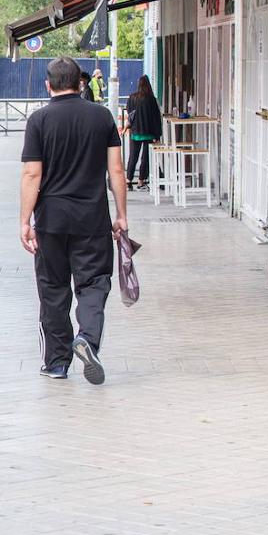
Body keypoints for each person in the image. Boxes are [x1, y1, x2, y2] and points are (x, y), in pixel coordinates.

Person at [20, 57, 127, 386]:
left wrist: (25, 220)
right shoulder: (102, 116)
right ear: (81, 84)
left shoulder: (39, 120)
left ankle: (56, 362)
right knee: (94, 282)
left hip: (51, 219)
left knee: (53, 289)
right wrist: (121, 215)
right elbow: (117, 171)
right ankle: (88, 339)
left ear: (48, 85)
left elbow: (31, 172)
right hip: (92, 218)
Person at [123, 75, 162, 190]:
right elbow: (156, 118)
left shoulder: (132, 98)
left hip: (135, 132)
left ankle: (128, 181)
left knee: (133, 156)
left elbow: (130, 114)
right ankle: (141, 180)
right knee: (145, 157)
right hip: (149, 132)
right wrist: (157, 134)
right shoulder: (151, 99)